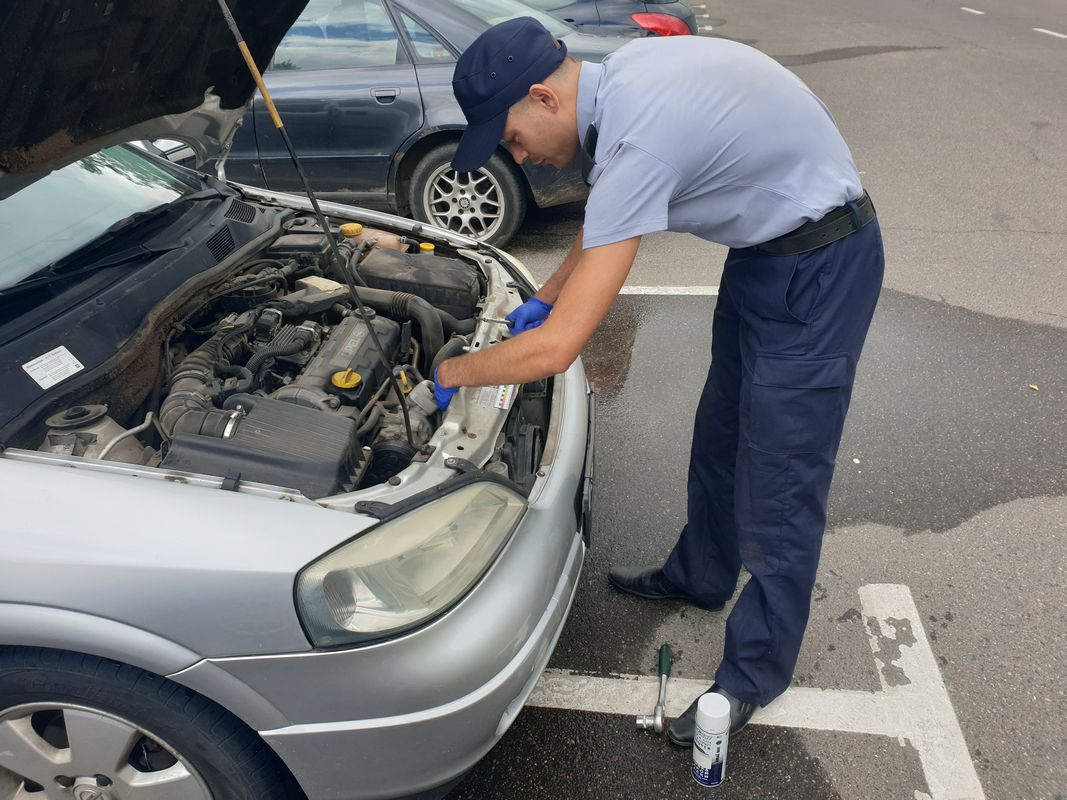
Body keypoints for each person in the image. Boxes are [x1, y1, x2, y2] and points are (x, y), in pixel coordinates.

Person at [434, 17, 884, 744]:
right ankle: (701, 576)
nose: (520, 158)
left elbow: (555, 352)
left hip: (821, 266)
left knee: (779, 479)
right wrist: (546, 294)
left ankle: (752, 676)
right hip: (765, 256)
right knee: (720, 437)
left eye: (511, 139)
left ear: (545, 99)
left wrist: (450, 370)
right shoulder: (626, 78)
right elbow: (611, 214)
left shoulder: (637, 136)